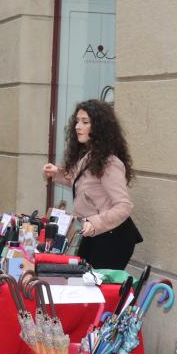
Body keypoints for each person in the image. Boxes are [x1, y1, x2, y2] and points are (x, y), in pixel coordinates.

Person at [42, 100, 141, 270]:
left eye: (85, 122)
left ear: (99, 127)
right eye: (77, 121)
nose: (78, 127)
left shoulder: (109, 163)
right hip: (95, 232)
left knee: (95, 288)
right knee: (81, 280)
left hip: (113, 236)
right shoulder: (90, 156)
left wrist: (95, 223)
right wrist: (56, 173)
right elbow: (81, 182)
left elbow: (123, 206)